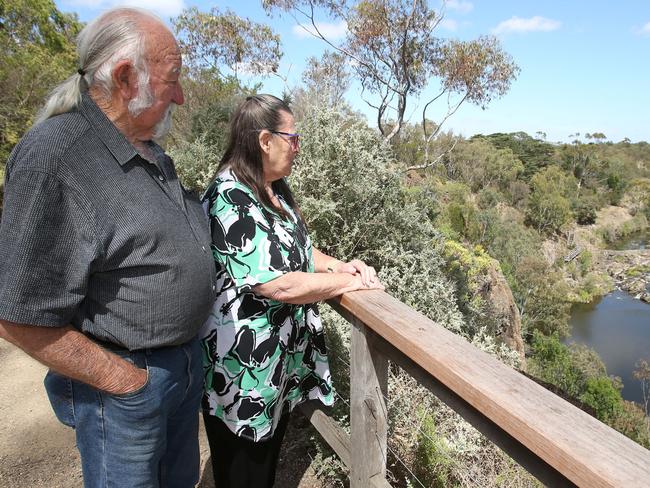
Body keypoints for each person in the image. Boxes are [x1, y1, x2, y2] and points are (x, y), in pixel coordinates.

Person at [0, 8, 216, 488]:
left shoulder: (151, 150)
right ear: (125, 77)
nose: (180, 95)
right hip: (126, 386)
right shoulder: (55, 157)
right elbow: (18, 313)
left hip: (181, 370)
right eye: (173, 79)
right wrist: (125, 382)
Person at [201, 94, 385, 487]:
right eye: (293, 138)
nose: (298, 147)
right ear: (265, 140)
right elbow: (279, 283)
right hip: (242, 374)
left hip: (276, 368)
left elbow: (296, 250)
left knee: (264, 465)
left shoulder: (272, 188)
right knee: (243, 473)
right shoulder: (230, 196)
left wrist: (339, 265)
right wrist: (350, 283)